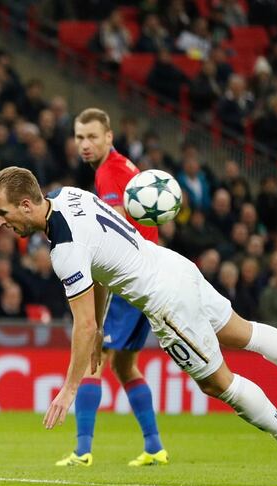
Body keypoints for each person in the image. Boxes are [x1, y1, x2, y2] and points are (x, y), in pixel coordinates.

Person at [0, 167, 277, 483]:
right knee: (243, 331)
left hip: (165, 301)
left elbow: (80, 325)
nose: (1, 222)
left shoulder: (64, 249)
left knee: (216, 382)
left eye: (2, 212)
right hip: (174, 266)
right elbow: (95, 271)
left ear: (26, 205)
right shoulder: (68, 195)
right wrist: (99, 328)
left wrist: (69, 387)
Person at [62, 108, 166, 467]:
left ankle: (82, 451)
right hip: (149, 274)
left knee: (94, 358)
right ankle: (155, 447)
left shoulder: (110, 173)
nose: (85, 145)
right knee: (126, 366)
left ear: (109, 137)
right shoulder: (125, 169)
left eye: (92, 137)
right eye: (79, 138)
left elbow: (114, 226)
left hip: (127, 279)